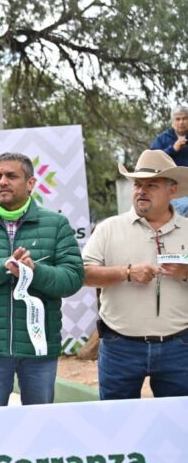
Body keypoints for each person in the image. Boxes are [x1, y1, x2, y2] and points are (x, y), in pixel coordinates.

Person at [0, 152, 84, 407]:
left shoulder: (56, 225)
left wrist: (34, 272)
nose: (2, 182)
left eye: (11, 176)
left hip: (39, 348)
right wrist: (3, 266)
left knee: (39, 424)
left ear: (30, 183)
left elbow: (73, 278)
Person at [82, 150, 188, 399]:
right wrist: (126, 272)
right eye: (137, 184)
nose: (141, 191)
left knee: (179, 427)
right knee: (116, 424)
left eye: (151, 185)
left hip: (180, 346)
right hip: (120, 347)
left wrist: (186, 272)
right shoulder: (108, 228)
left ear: (172, 190)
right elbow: (84, 274)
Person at [150, 105, 188, 215]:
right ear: (172, 122)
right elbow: (152, 161)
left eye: (185, 118)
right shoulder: (162, 139)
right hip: (173, 189)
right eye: (178, 119)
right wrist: (173, 149)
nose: (181, 122)